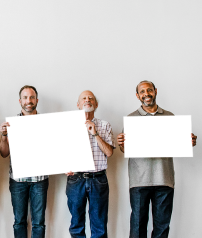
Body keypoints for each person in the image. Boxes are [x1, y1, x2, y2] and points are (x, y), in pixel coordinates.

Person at [117, 80, 197, 238]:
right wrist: (122, 144)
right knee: (137, 227)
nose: (146, 94)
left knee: (162, 227)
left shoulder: (169, 116)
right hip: (139, 181)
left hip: (164, 179)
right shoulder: (131, 119)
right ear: (137, 95)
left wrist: (188, 143)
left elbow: (177, 151)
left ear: (155, 91)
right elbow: (125, 149)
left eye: (149, 90)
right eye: (142, 91)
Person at [0, 85, 48, 238]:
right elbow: (4, 153)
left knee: (38, 222)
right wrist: (3, 136)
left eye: (32, 97)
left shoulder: (47, 124)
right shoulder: (11, 125)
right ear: (20, 101)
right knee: (19, 221)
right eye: (25, 98)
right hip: (17, 180)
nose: (29, 101)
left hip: (40, 180)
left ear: (37, 100)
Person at [64, 90, 114, 238]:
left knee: (99, 226)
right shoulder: (68, 125)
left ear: (96, 104)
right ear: (78, 104)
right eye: (84, 98)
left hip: (98, 179)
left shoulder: (104, 125)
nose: (87, 100)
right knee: (76, 225)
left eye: (90, 98)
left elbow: (109, 152)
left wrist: (95, 133)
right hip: (76, 180)